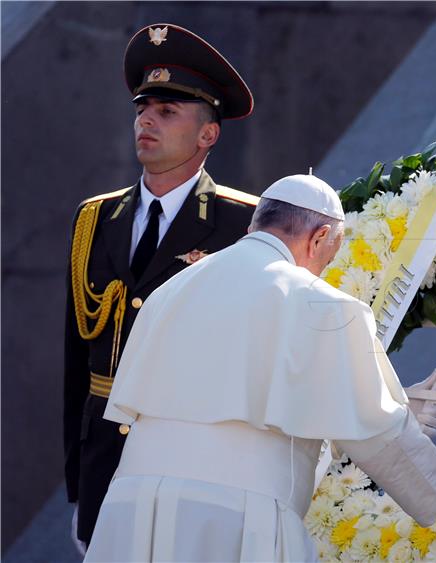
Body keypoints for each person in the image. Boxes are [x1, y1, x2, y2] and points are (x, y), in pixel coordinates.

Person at [83, 174, 436, 561]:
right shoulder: (323, 304)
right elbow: (379, 433)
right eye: (328, 258)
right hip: (236, 518)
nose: (323, 270)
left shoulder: (169, 291)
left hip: (132, 510)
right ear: (320, 237)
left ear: (254, 225)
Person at [63, 23, 261, 553]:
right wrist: (77, 482)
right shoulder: (95, 220)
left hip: (194, 469)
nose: (146, 120)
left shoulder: (244, 226)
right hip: (104, 466)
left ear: (208, 135)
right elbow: (77, 363)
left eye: (168, 112)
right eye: (142, 109)